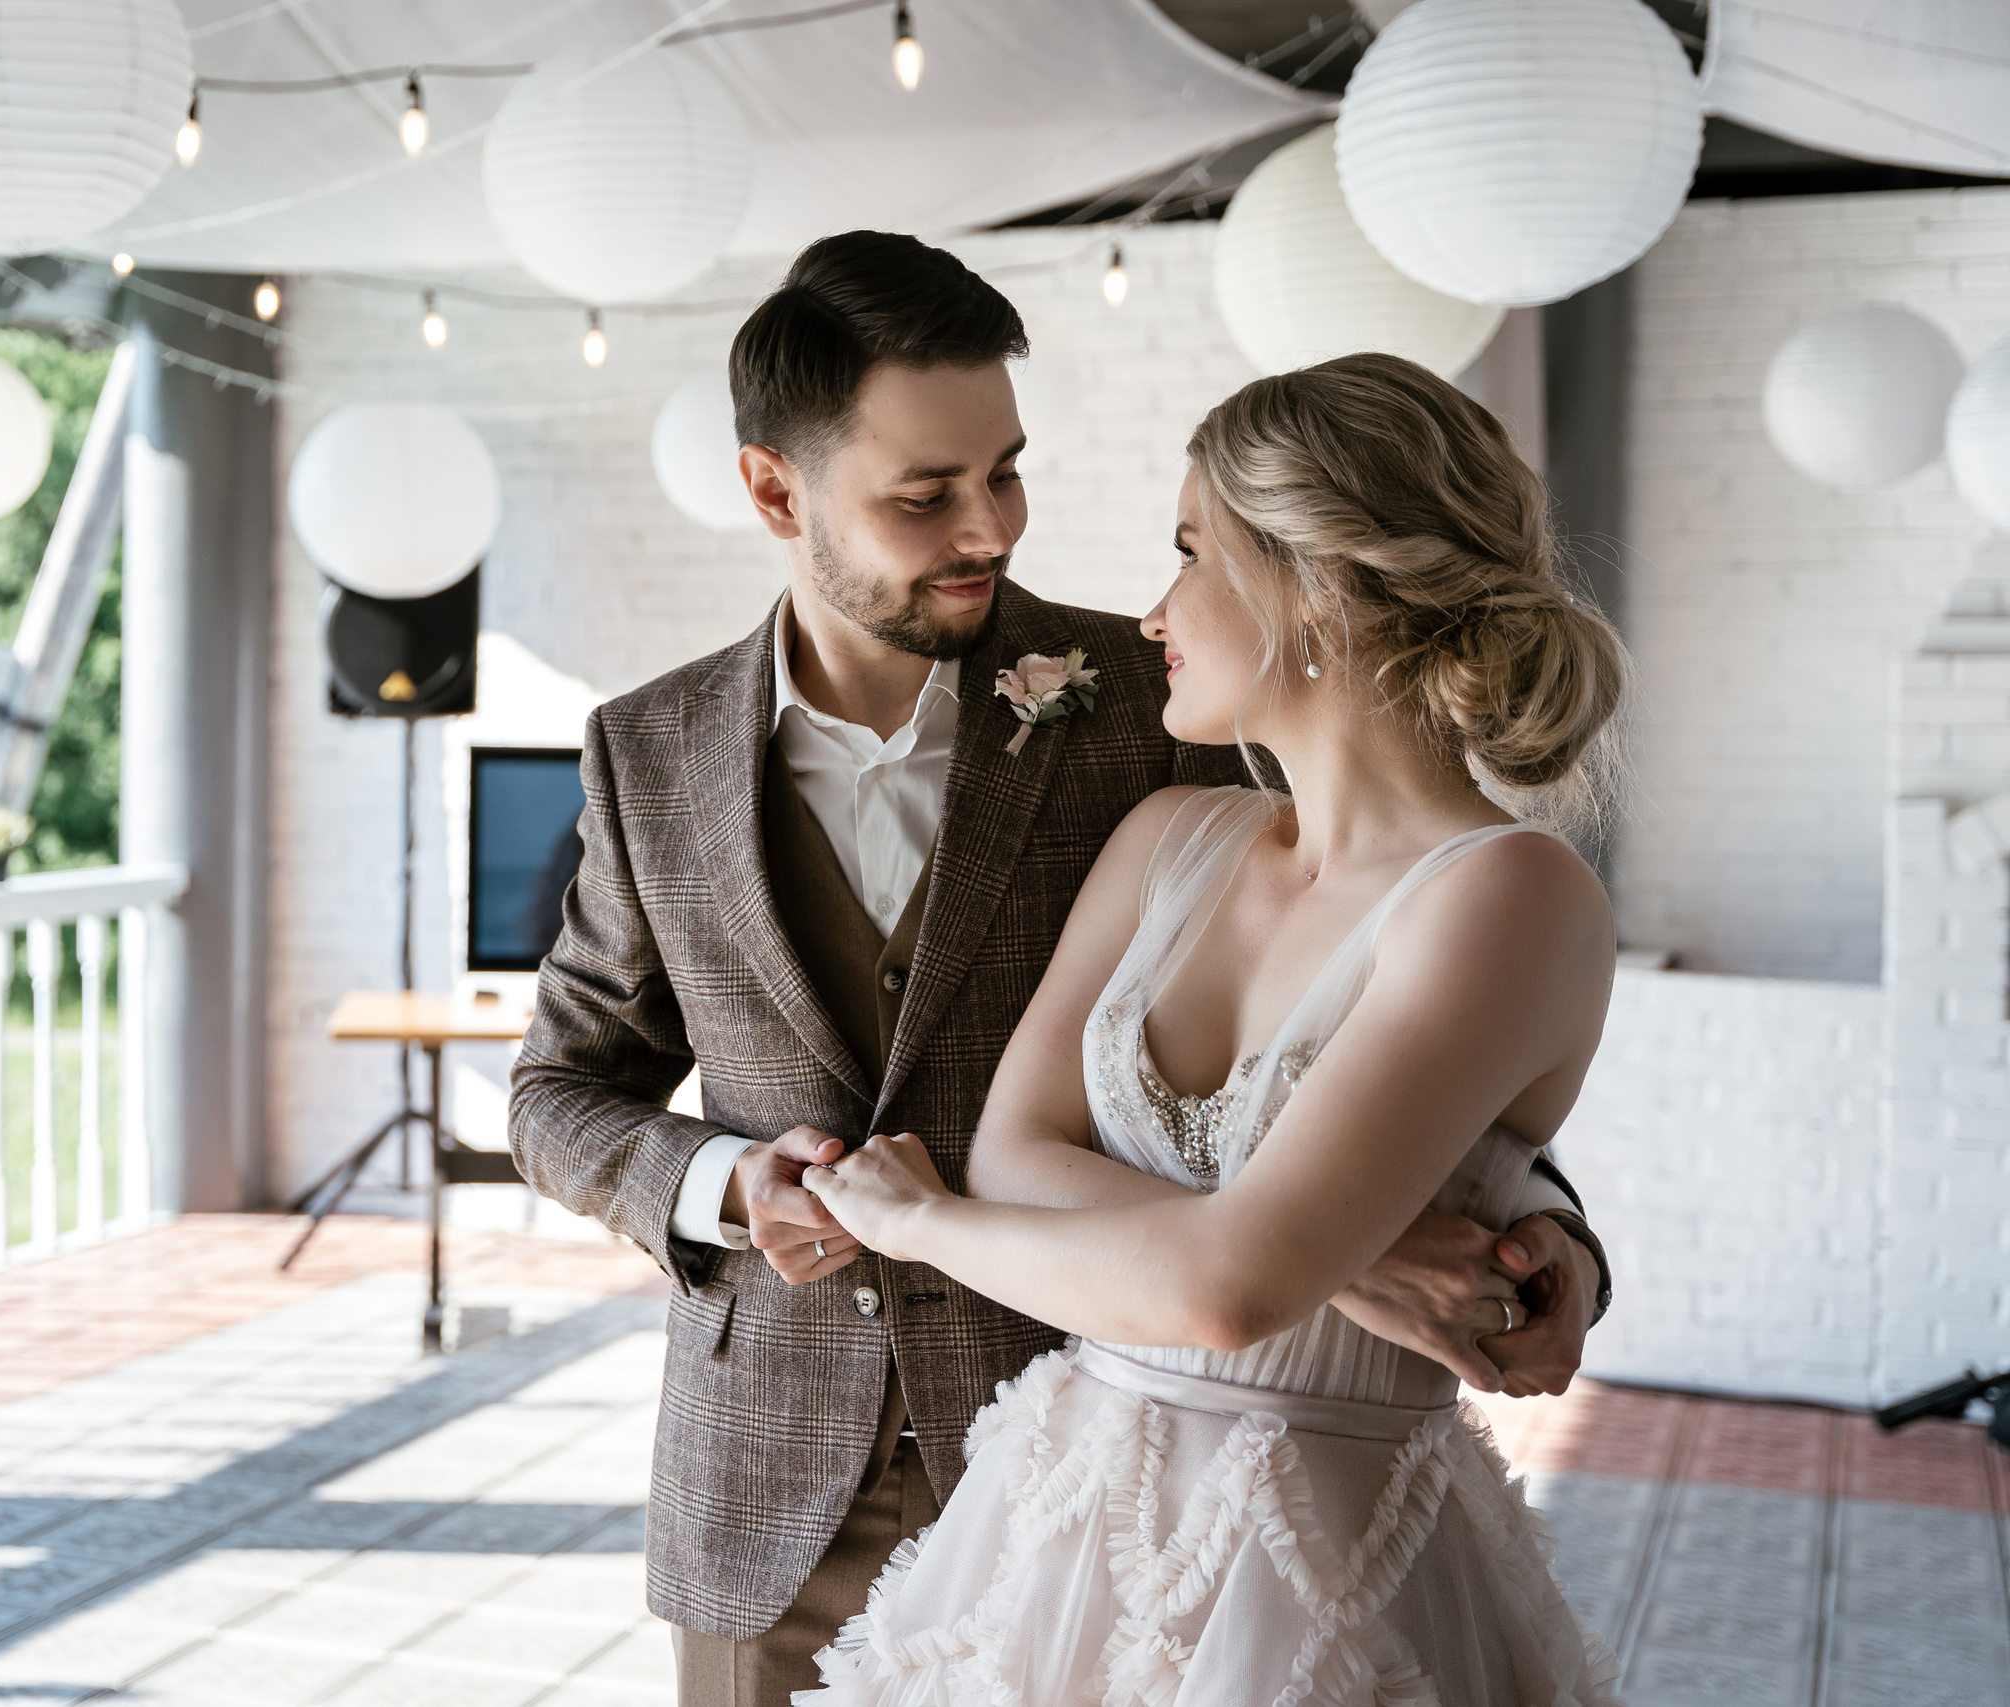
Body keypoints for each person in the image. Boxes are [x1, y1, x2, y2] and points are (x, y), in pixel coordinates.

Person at [506, 233, 1610, 1707]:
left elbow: (1380, 1016)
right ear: (775, 492)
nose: (991, 529)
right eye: (926, 495)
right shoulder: (649, 753)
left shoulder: (1158, 708)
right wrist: (722, 1182)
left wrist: (1534, 1236)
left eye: (1006, 472)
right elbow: (558, 1094)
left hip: (1097, 1445)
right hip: (768, 1492)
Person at [797, 351, 1627, 1705]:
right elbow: (1016, 1154)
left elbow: (1229, 1290)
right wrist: (1326, 1256)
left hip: (1319, 1563)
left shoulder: (1509, 894)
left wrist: (916, 1223)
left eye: (1190, 552)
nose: (1152, 612)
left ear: (1317, 582)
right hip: (1062, 1532)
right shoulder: (1172, 836)